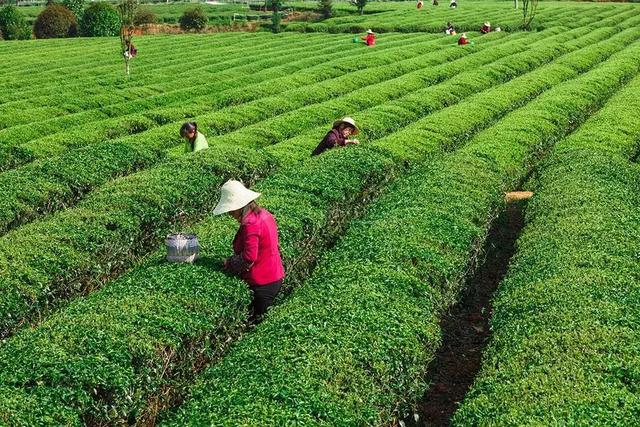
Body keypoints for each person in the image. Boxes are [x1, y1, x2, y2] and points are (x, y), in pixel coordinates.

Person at [214, 180, 285, 322]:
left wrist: (229, 263)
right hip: (274, 275)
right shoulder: (264, 214)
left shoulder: (250, 224)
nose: (230, 214)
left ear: (238, 207)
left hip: (262, 283)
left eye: (230, 210)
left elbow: (248, 257)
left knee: (256, 324)